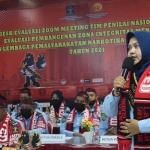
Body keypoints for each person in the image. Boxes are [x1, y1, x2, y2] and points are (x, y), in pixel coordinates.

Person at [103, 30, 150, 150]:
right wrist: (115, 93)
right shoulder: (126, 77)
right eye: (129, 48)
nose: (131, 52)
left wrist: (140, 126)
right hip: (129, 146)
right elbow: (109, 112)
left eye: (136, 46)